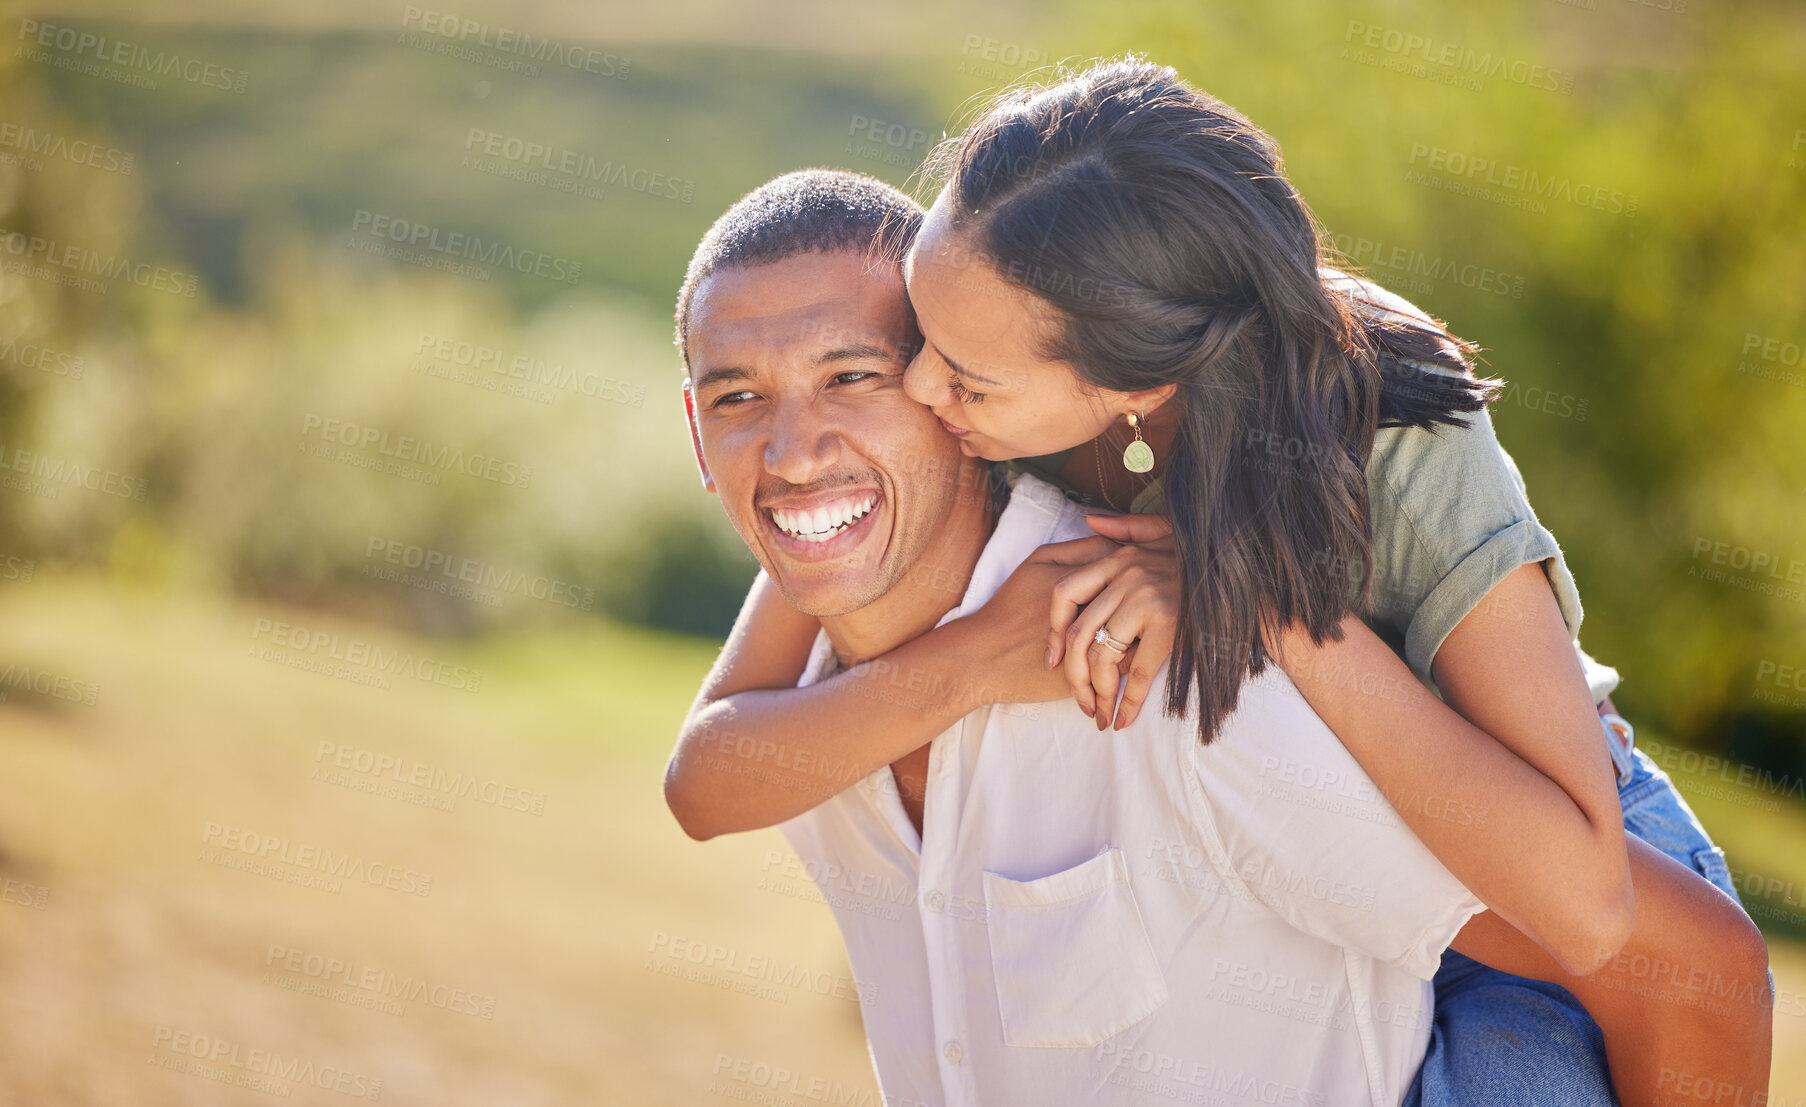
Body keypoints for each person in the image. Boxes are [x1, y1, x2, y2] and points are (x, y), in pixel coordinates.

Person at [666, 59, 1771, 1104]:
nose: (916, 387)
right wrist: (967, 661)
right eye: (917, 343)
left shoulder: (1387, 438)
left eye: (950, 374)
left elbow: (1595, 913)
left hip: (1556, 819)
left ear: (1126, 383)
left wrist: (1257, 596)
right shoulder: (995, 395)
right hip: (1358, 854)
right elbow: (713, 769)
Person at [677, 179, 1495, 1104]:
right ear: (699, 440)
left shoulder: (1180, 667)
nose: (790, 453)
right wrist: (977, 660)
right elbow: (700, 783)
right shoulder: (810, 705)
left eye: (851, 376)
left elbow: (1582, 942)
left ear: (950, 396)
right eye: (738, 396)